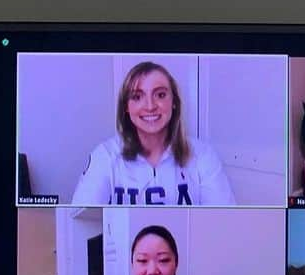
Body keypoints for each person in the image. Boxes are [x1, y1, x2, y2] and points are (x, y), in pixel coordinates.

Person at [72, 61, 236, 205]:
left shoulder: (203, 156)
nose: (150, 106)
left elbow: (225, 223)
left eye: (160, 95)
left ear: (174, 103)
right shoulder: (105, 156)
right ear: (126, 108)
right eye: (137, 97)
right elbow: (81, 219)